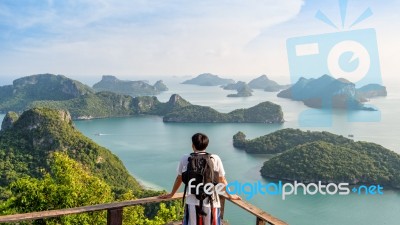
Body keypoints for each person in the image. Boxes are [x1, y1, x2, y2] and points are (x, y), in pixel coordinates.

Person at [159, 132, 241, 225]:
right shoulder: (214, 158)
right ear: (206, 145)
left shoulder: (186, 158)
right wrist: (231, 195)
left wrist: (172, 194)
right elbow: (222, 180)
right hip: (212, 202)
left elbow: (179, 178)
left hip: (192, 202)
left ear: (192, 145)